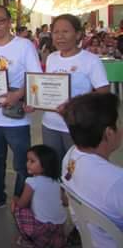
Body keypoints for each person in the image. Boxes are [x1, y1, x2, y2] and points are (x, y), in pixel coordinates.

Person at [0, 5, 42, 212]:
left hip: (16, 119)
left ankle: (20, 199)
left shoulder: (24, 46)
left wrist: (19, 94)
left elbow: (35, 78)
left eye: (0, 20)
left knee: (22, 164)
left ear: (9, 22)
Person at [37, 14, 109, 163]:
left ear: (77, 34)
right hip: (50, 125)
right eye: (56, 32)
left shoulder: (91, 60)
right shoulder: (52, 58)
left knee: (76, 171)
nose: (60, 37)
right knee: (53, 169)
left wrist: (74, 105)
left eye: (65, 32)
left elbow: (104, 92)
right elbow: (47, 86)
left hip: (77, 127)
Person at [62, 93, 123, 248]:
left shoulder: (69, 157)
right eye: (120, 123)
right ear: (109, 133)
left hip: (91, 239)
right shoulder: (115, 182)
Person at [11, 145, 67, 248]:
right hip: (60, 225)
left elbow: (22, 203)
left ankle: (29, 240)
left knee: (16, 207)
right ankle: (56, 240)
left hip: (42, 227)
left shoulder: (32, 182)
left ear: (45, 166)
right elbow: (66, 202)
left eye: (32, 161)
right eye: (27, 160)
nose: (27, 164)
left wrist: (15, 199)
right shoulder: (57, 182)